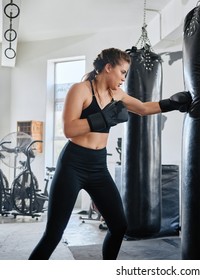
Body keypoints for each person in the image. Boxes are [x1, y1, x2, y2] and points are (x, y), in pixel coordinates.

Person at [28, 47, 191, 260]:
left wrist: (172, 103)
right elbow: (69, 129)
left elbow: (142, 108)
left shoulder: (117, 94)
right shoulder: (80, 90)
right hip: (73, 164)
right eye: (123, 72)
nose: (124, 77)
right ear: (108, 68)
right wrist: (103, 118)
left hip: (98, 166)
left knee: (119, 226)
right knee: (54, 234)